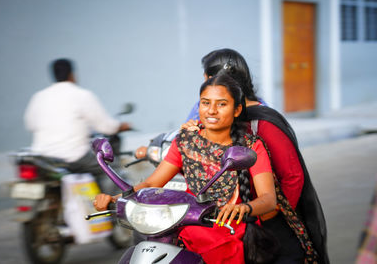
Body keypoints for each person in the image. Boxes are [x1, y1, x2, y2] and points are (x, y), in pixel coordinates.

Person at [95, 74, 317, 263]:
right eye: (205, 102)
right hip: (186, 220)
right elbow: (152, 184)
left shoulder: (251, 146)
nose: (212, 110)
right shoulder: (185, 141)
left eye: (222, 104)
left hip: (229, 227)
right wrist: (116, 199)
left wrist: (244, 209)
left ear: (237, 109)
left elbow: (268, 199)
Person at [24, 58, 131, 177]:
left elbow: (30, 124)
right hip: (73, 157)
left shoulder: (38, 97)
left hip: (43, 157)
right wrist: (121, 126)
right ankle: (115, 196)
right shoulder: (82, 95)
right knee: (111, 166)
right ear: (72, 74)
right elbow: (106, 127)